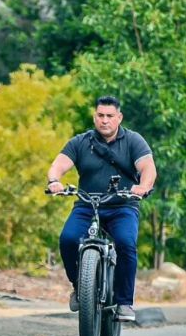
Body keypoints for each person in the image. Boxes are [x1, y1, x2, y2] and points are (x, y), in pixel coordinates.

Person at [46, 96, 156, 322]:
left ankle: (124, 303)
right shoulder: (80, 142)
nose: (104, 120)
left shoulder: (133, 141)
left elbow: (148, 168)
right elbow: (58, 165)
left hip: (121, 206)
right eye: (100, 115)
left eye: (109, 116)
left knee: (126, 243)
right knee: (67, 239)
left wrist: (143, 187)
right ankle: (80, 286)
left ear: (119, 118)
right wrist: (54, 181)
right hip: (87, 204)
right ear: (95, 116)